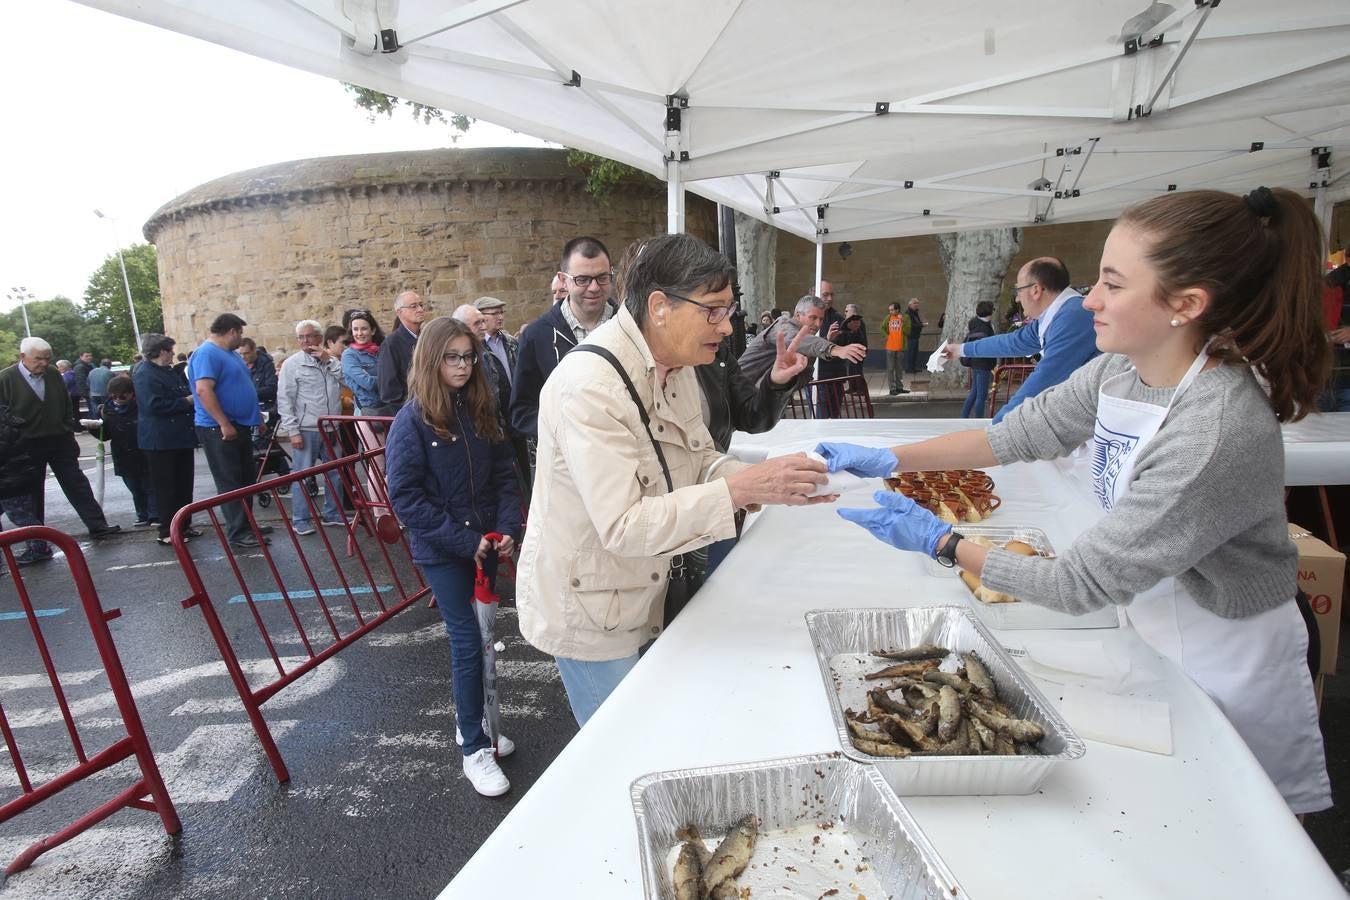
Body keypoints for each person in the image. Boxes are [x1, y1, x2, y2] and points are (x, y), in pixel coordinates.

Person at [818, 187, 1332, 815]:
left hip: (1226, 647)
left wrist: (944, 542)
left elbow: (1080, 585)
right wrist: (894, 458)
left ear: (1186, 305)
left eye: (1113, 285)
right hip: (1153, 619)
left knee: (1234, 822)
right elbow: (1011, 435)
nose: (1089, 300)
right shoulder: (1121, 371)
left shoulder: (1214, 426)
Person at [517, 232, 835, 727]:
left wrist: (763, 480)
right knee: (622, 746)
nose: (727, 327)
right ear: (660, 306)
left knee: (651, 726)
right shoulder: (588, 387)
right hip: (591, 608)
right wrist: (742, 489)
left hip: (642, 587)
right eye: (713, 310)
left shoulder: (677, 365)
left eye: (729, 310)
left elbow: (701, 460)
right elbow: (623, 526)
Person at [384, 317, 522, 796]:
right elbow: (405, 497)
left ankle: (475, 727)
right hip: (445, 550)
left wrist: (506, 528)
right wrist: (465, 541)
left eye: (469, 357)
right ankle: (473, 750)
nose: (463, 366)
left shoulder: (482, 410)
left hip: (483, 543)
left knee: (485, 639)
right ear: (431, 359)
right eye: (452, 357)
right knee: (467, 643)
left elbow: (505, 477)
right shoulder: (413, 420)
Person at [943, 257, 1100, 423]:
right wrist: (960, 349)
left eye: (1018, 291)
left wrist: (994, 430)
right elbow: (1012, 342)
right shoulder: (1060, 314)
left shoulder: (1072, 317)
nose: (1017, 299)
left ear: (1035, 290)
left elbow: (1042, 381)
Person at [0, 338, 120, 539]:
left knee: (76, 483)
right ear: (23, 357)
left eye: (47, 359)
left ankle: (98, 525)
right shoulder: (6, 379)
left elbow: (65, 403)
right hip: (26, 444)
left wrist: (67, 429)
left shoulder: (53, 374)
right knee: (33, 492)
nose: (44, 364)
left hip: (59, 440)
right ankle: (38, 539)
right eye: (38, 359)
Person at [510, 237, 618, 440]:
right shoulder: (536, 336)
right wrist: (568, 432)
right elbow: (522, 412)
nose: (594, 287)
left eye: (602, 277)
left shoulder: (630, 326)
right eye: (582, 279)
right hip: (566, 464)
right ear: (563, 279)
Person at [190, 313, 269, 550]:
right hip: (219, 429)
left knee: (245, 478)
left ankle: (246, 524)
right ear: (232, 331)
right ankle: (238, 532)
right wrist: (223, 422)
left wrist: (256, 418)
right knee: (230, 481)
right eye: (240, 333)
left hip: (239, 425)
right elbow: (204, 390)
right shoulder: (207, 353)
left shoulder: (229, 354)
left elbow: (241, 387)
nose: (241, 338)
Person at [278, 320, 348, 535]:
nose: (306, 341)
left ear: (320, 337)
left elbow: (348, 380)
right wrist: (293, 431)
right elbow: (285, 399)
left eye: (310, 336)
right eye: (301, 337)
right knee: (302, 476)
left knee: (335, 473)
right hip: (307, 428)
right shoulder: (292, 364)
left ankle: (333, 514)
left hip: (331, 426)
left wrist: (330, 361)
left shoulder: (332, 360)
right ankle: (300, 520)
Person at [135, 333, 198, 546]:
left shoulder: (167, 371)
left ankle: (184, 524)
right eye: (170, 350)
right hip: (160, 440)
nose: (172, 354)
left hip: (179, 436)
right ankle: (167, 530)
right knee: (166, 487)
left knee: (183, 484)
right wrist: (186, 402)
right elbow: (154, 405)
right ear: (161, 351)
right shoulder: (145, 373)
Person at [738, 295, 866, 388]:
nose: (817, 324)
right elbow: (795, 339)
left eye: (821, 319)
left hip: (765, 399)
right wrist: (835, 349)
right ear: (798, 315)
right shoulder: (782, 325)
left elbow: (803, 375)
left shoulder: (806, 342)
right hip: (740, 394)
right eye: (813, 318)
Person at [90, 374, 158, 528]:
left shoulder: (141, 406)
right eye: (114, 395)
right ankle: (143, 515)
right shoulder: (106, 409)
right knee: (135, 489)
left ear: (132, 393)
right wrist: (94, 429)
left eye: (122, 395)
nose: (118, 398)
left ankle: (154, 515)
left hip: (143, 453)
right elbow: (105, 435)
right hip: (122, 454)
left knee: (149, 487)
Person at [0, 396, 53, 566]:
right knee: (21, 514)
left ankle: (39, 548)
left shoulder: (3, 425)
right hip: (13, 478)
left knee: (21, 515)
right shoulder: (6, 419)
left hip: (11, 481)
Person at [453, 303, 511, 420]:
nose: (484, 327)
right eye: (477, 323)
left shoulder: (485, 353)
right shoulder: (454, 359)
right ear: (461, 327)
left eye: (483, 322)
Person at [377, 291, 427, 413]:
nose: (420, 309)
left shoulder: (426, 338)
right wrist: (410, 413)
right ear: (399, 312)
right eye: (413, 306)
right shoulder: (391, 344)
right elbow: (389, 391)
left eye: (421, 305)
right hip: (411, 413)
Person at [341, 309, 385, 414]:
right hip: (368, 410)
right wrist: (388, 379)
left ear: (373, 330)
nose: (359, 333)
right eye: (355, 329)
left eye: (364, 329)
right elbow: (367, 383)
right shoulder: (349, 355)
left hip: (389, 405)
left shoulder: (382, 350)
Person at [960, 300, 997, 418]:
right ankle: (978, 420)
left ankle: (964, 417)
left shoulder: (974, 323)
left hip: (975, 362)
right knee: (981, 396)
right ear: (989, 312)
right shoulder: (986, 328)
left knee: (974, 392)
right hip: (984, 363)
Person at [237, 338, 277, 413]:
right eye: (240, 354)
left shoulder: (267, 365)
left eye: (246, 353)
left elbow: (272, 389)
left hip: (263, 408)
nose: (243, 357)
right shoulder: (238, 366)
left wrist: (248, 393)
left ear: (254, 350)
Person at [884, 302, 909, 395]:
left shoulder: (905, 317)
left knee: (899, 369)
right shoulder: (888, 318)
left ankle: (899, 387)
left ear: (897, 310)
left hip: (900, 347)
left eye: (892, 310)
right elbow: (882, 328)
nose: (890, 312)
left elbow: (908, 331)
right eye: (889, 310)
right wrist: (887, 337)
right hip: (890, 347)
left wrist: (902, 321)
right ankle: (892, 389)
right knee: (890, 369)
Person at [902, 298, 926, 374]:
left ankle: (913, 368)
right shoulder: (908, 313)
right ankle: (909, 368)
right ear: (910, 304)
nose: (917, 305)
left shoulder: (915, 312)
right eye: (915, 303)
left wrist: (921, 323)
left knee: (915, 352)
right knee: (911, 352)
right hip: (911, 336)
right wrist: (921, 325)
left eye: (917, 303)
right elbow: (910, 325)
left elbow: (916, 322)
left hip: (915, 335)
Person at [72, 351, 94, 415]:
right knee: (92, 410)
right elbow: (80, 381)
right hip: (88, 392)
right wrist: (84, 393)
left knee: (92, 409)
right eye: (87, 356)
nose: (89, 357)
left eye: (90, 356)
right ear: (81, 357)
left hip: (90, 391)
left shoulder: (88, 365)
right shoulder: (79, 367)